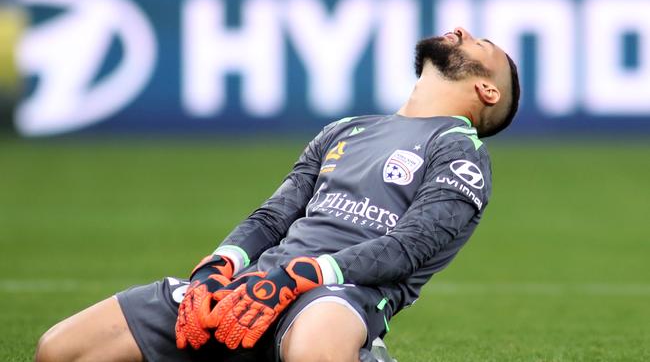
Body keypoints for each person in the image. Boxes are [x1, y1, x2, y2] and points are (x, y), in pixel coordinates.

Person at [34, 27, 520, 362]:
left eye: (481, 44)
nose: (460, 30)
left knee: (315, 346)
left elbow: (409, 247)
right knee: (62, 349)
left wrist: (303, 274)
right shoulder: (345, 130)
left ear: (487, 90)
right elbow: (274, 217)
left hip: (338, 294)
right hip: (257, 283)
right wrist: (220, 263)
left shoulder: (460, 154)